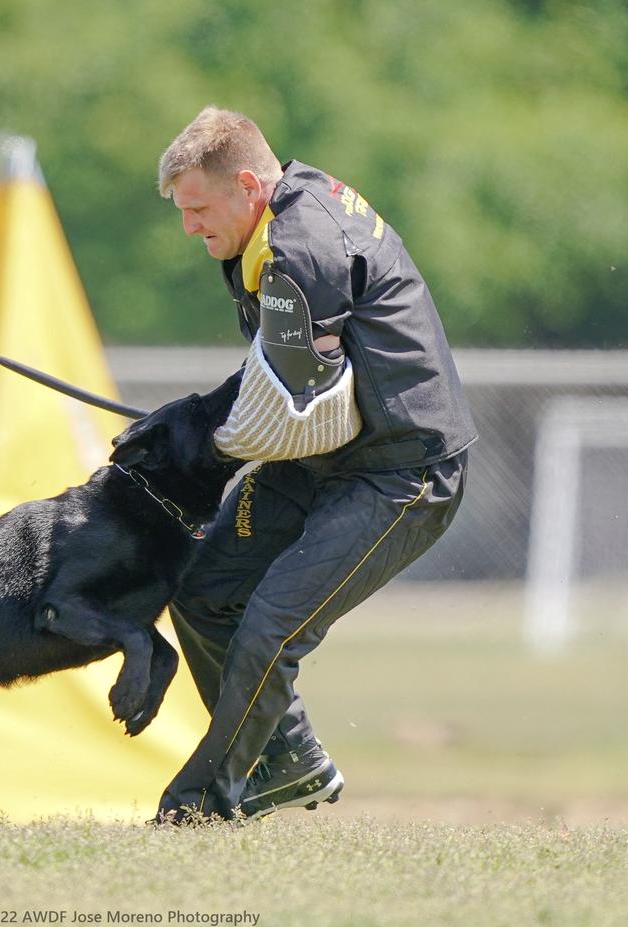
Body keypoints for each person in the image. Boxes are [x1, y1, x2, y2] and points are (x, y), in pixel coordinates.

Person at [154, 106, 477, 822]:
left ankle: (200, 804)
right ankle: (289, 762)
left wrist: (204, 446)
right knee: (206, 594)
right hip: (325, 460)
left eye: (199, 208)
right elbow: (281, 377)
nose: (190, 227)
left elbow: (304, 403)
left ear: (246, 184)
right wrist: (193, 416)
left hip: (401, 471)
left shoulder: (302, 249)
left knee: (270, 625)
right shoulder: (262, 228)